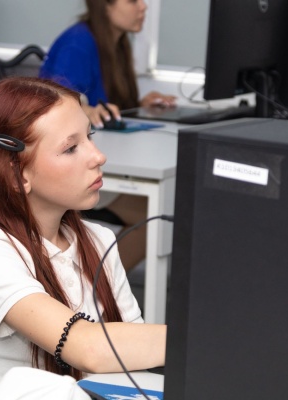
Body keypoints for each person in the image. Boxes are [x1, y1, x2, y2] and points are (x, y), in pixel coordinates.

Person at [0, 77, 166, 400]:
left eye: (90, 137)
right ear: (16, 174)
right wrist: (205, 338)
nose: (98, 157)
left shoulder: (98, 240)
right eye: (70, 148)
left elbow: (132, 352)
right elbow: (86, 348)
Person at [39, 0, 176, 271]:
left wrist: (137, 104)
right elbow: (50, 105)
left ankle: (94, 284)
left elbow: (104, 105)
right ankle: (94, 285)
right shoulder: (78, 43)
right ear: (105, 5)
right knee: (155, 217)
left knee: (163, 209)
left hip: (99, 164)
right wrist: (83, 109)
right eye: (132, 0)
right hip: (75, 170)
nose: (143, 7)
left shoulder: (117, 43)